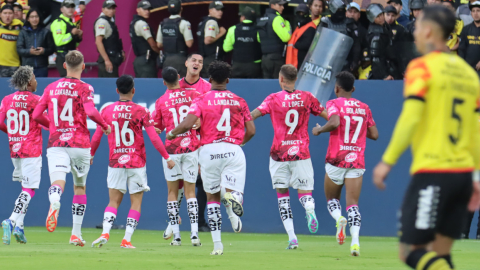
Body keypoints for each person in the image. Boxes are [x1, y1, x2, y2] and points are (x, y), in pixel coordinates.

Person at [373, 5, 480, 270]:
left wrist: (387, 161)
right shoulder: (470, 75)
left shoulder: (422, 67)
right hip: (463, 174)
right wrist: (476, 175)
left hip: (434, 171)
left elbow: (411, 117)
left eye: (418, 28)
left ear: (429, 31)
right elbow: (475, 129)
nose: (416, 33)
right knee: (441, 255)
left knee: (410, 250)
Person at [166, 61, 256, 255]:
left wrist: (173, 133)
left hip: (209, 151)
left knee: (211, 197)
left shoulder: (201, 99)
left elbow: (188, 123)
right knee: (234, 191)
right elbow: (251, 130)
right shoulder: (239, 100)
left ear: (210, 79)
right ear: (228, 80)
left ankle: (217, 246)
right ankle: (232, 198)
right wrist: (239, 143)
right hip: (233, 149)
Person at [32, 50, 111, 247]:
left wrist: (51, 124)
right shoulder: (85, 87)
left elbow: (35, 115)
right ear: (83, 67)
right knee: (79, 187)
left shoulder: (51, 87)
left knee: (58, 182)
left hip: (57, 142)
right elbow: (91, 111)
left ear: (64, 65)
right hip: (80, 143)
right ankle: (75, 234)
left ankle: (55, 199)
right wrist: (104, 125)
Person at [90, 75, 174, 249]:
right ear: (133, 90)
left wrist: (90, 155)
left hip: (115, 162)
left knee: (113, 201)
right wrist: (167, 157)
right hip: (136, 162)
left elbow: (97, 137)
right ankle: (126, 239)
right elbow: (154, 138)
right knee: (136, 202)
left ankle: (105, 232)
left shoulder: (106, 111)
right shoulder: (141, 111)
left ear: (117, 90)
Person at [250, 64, 327, 249]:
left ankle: (292, 238)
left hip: (279, 154)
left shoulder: (273, 98)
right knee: (304, 191)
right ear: (296, 80)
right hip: (301, 152)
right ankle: (309, 207)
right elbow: (327, 115)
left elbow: (253, 114)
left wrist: (240, 122)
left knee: (282, 195)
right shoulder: (307, 97)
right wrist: (322, 129)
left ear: (281, 79)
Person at [312, 71, 378, 256]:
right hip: (356, 160)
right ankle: (355, 243)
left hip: (336, 159)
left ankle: (339, 218)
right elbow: (374, 134)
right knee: (353, 204)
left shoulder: (333, 103)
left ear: (336, 88)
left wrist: (319, 130)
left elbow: (333, 122)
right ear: (353, 88)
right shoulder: (364, 107)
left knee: (332, 199)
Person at [151, 67, 202, 246]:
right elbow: (201, 116)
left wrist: (159, 128)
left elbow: (156, 127)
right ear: (180, 78)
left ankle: (177, 237)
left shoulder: (161, 101)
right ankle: (195, 235)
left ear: (164, 82)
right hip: (190, 147)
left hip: (172, 150)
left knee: (172, 192)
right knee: (190, 192)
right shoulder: (193, 94)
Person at [0, 66, 48, 245]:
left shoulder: (7, 99)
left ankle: (19, 226)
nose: (36, 81)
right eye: (34, 78)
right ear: (29, 82)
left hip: (15, 149)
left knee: (25, 187)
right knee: (30, 188)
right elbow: (46, 121)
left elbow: (0, 122)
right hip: (32, 149)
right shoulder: (36, 100)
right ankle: (11, 221)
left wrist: (12, 133)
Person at [320, 0, 361, 73]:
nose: (340, 12)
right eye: (338, 10)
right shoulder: (324, 23)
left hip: (345, 63)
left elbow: (356, 45)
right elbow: (316, 43)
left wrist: (355, 61)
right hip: (326, 63)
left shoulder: (349, 24)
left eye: (342, 10)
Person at [157, 0, 193, 78]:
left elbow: (159, 44)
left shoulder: (162, 24)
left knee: (169, 85)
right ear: (181, 8)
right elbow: (189, 44)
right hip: (180, 59)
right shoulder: (184, 23)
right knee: (181, 85)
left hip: (167, 60)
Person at [223, 6, 262, 78]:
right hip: (254, 66)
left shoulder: (233, 29)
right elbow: (263, 46)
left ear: (243, 17)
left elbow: (226, 48)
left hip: (237, 65)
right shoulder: (258, 30)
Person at [258, 0, 291, 79]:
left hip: (265, 58)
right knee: (277, 84)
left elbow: (259, 39)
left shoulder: (261, 19)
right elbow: (286, 37)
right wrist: (287, 24)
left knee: (266, 85)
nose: (282, 7)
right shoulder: (277, 19)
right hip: (276, 58)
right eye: (280, 5)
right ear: (273, 5)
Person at [17, 9, 54, 77]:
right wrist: (30, 51)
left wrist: (43, 51)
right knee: (27, 87)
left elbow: (52, 49)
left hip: (42, 67)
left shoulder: (46, 32)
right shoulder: (23, 32)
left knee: (41, 87)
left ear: (39, 18)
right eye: (32, 17)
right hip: (26, 68)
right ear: (28, 19)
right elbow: (19, 49)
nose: (34, 19)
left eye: (36, 17)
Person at [50, 0, 83, 77]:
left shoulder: (71, 23)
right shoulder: (59, 22)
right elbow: (58, 41)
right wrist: (71, 34)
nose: (70, 9)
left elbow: (74, 43)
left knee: (73, 80)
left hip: (71, 54)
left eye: (72, 7)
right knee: (67, 81)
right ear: (61, 9)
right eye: (67, 7)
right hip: (62, 55)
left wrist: (78, 37)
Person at [365, 4, 396, 80]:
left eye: (381, 14)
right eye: (377, 16)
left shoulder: (385, 27)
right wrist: (384, 75)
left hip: (389, 65)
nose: (381, 18)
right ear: (372, 18)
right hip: (381, 72)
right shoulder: (376, 34)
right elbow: (376, 59)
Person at [94, 0, 124, 78]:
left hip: (112, 57)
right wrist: (107, 60)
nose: (111, 11)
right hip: (108, 58)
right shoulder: (102, 22)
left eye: (113, 8)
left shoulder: (109, 21)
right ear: (103, 9)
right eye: (109, 8)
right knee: (110, 85)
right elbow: (98, 41)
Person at [130, 0, 159, 78]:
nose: (147, 11)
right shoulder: (142, 23)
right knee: (150, 86)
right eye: (144, 9)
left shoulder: (134, 22)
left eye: (148, 9)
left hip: (140, 60)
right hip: (146, 61)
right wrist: (160, 53)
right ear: (138, 10)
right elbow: (152, 44)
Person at [197, 1, 226, 78]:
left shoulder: (203, 21)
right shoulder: (212, 22)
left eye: (221, 10)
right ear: (210, 10)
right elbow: (208, 40)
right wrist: (222, 33)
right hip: (211, 59)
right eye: (217, 10)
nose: (220, 12)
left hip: (204, 58)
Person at [286, 4, 317, 69]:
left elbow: (308, 44)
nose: (301, 15)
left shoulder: (311, 27)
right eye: (299, 13)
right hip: (293, 63)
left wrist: (297, 44)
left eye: (303, 13)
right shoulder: (299, 27)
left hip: (301, 63)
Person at [0, 4, 23, 77]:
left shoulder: (20, 26)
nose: (7, 16)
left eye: (10, 13)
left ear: (13, 15)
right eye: (5, 13)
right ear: (0, 14)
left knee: (14, 88)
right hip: (0, 64)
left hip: (15, 65)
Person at [459, 1, 480, 76]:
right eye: (473, 11)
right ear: (471, 14)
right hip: (468, 68)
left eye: (478, 11)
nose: (476, 13)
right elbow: (461, 49)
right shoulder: (466, 29)